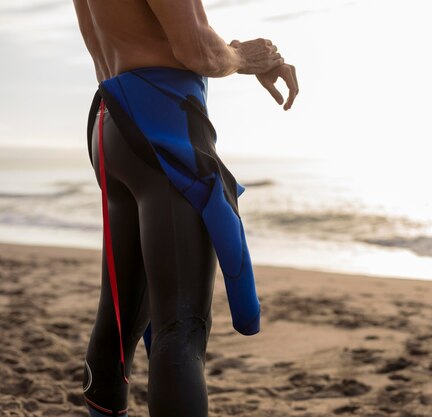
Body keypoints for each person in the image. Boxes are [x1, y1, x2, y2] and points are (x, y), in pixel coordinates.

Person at [71, 1, 299, 416]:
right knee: (182, 327)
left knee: (118, 316)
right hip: (162, 126)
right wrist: (245, 56)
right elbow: (197, 51)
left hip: (112, 125)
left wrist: (237, 54)